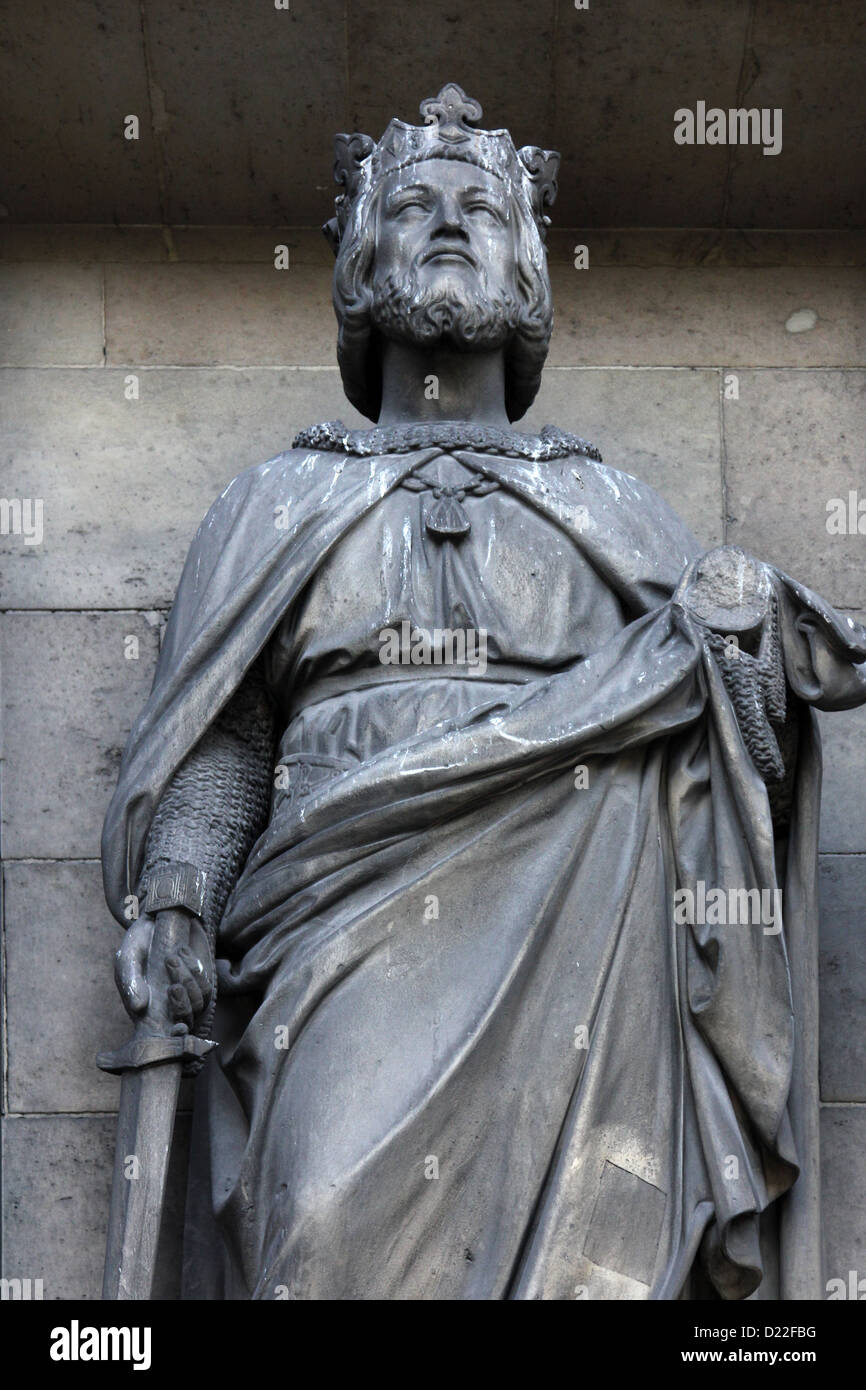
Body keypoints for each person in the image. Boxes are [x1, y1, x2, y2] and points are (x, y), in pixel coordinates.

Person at [103, 85, 866, 1300]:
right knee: (316, 1221)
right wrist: (181, 894)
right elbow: (225, 739)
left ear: (528, 272)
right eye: (411, 206)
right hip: (340, 920)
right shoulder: (274, 503)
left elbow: (729, 773)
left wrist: (742, 648)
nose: (448, 223)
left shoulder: (615, 510)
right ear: (358, 271)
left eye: (482, 210)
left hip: (588, 928)